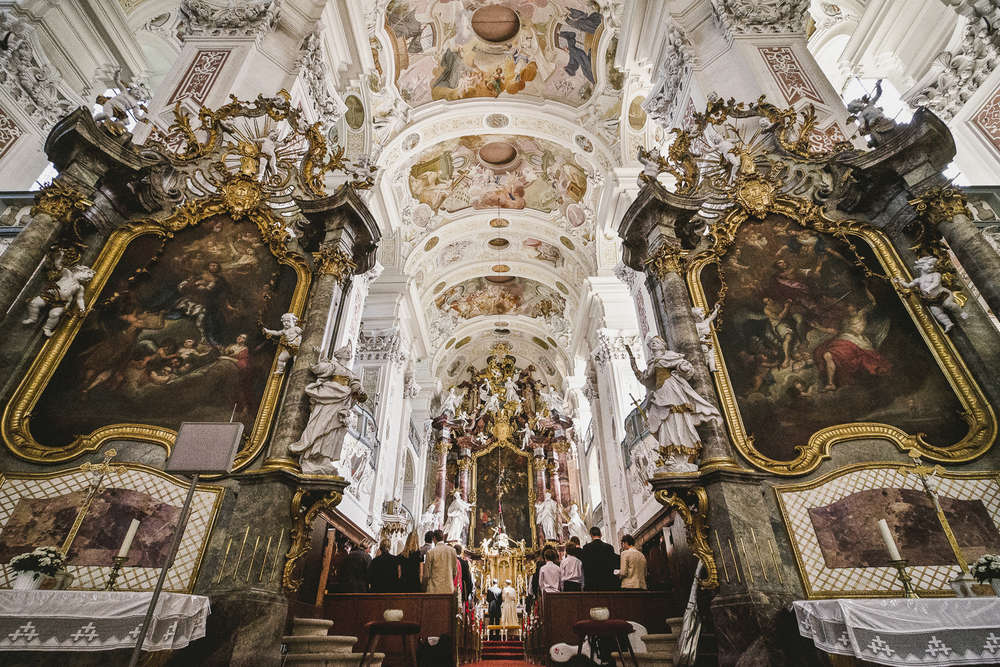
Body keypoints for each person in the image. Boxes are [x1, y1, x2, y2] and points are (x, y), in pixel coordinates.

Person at [581, 526, 618, 591]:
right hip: (607, 583)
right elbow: (613, 564)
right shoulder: (609, 547)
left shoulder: (586, 548)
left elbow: (585, 566)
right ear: (601, 534)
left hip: (591, 584)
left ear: (591, 535)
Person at [423, 529, 457, 594]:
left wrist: (424, 587)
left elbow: (426, 575)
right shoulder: (452, 551)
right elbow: (454, 572)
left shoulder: (430, 552)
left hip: (434, 590)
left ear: (434, 538)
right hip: (448, 589)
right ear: (443, 538)